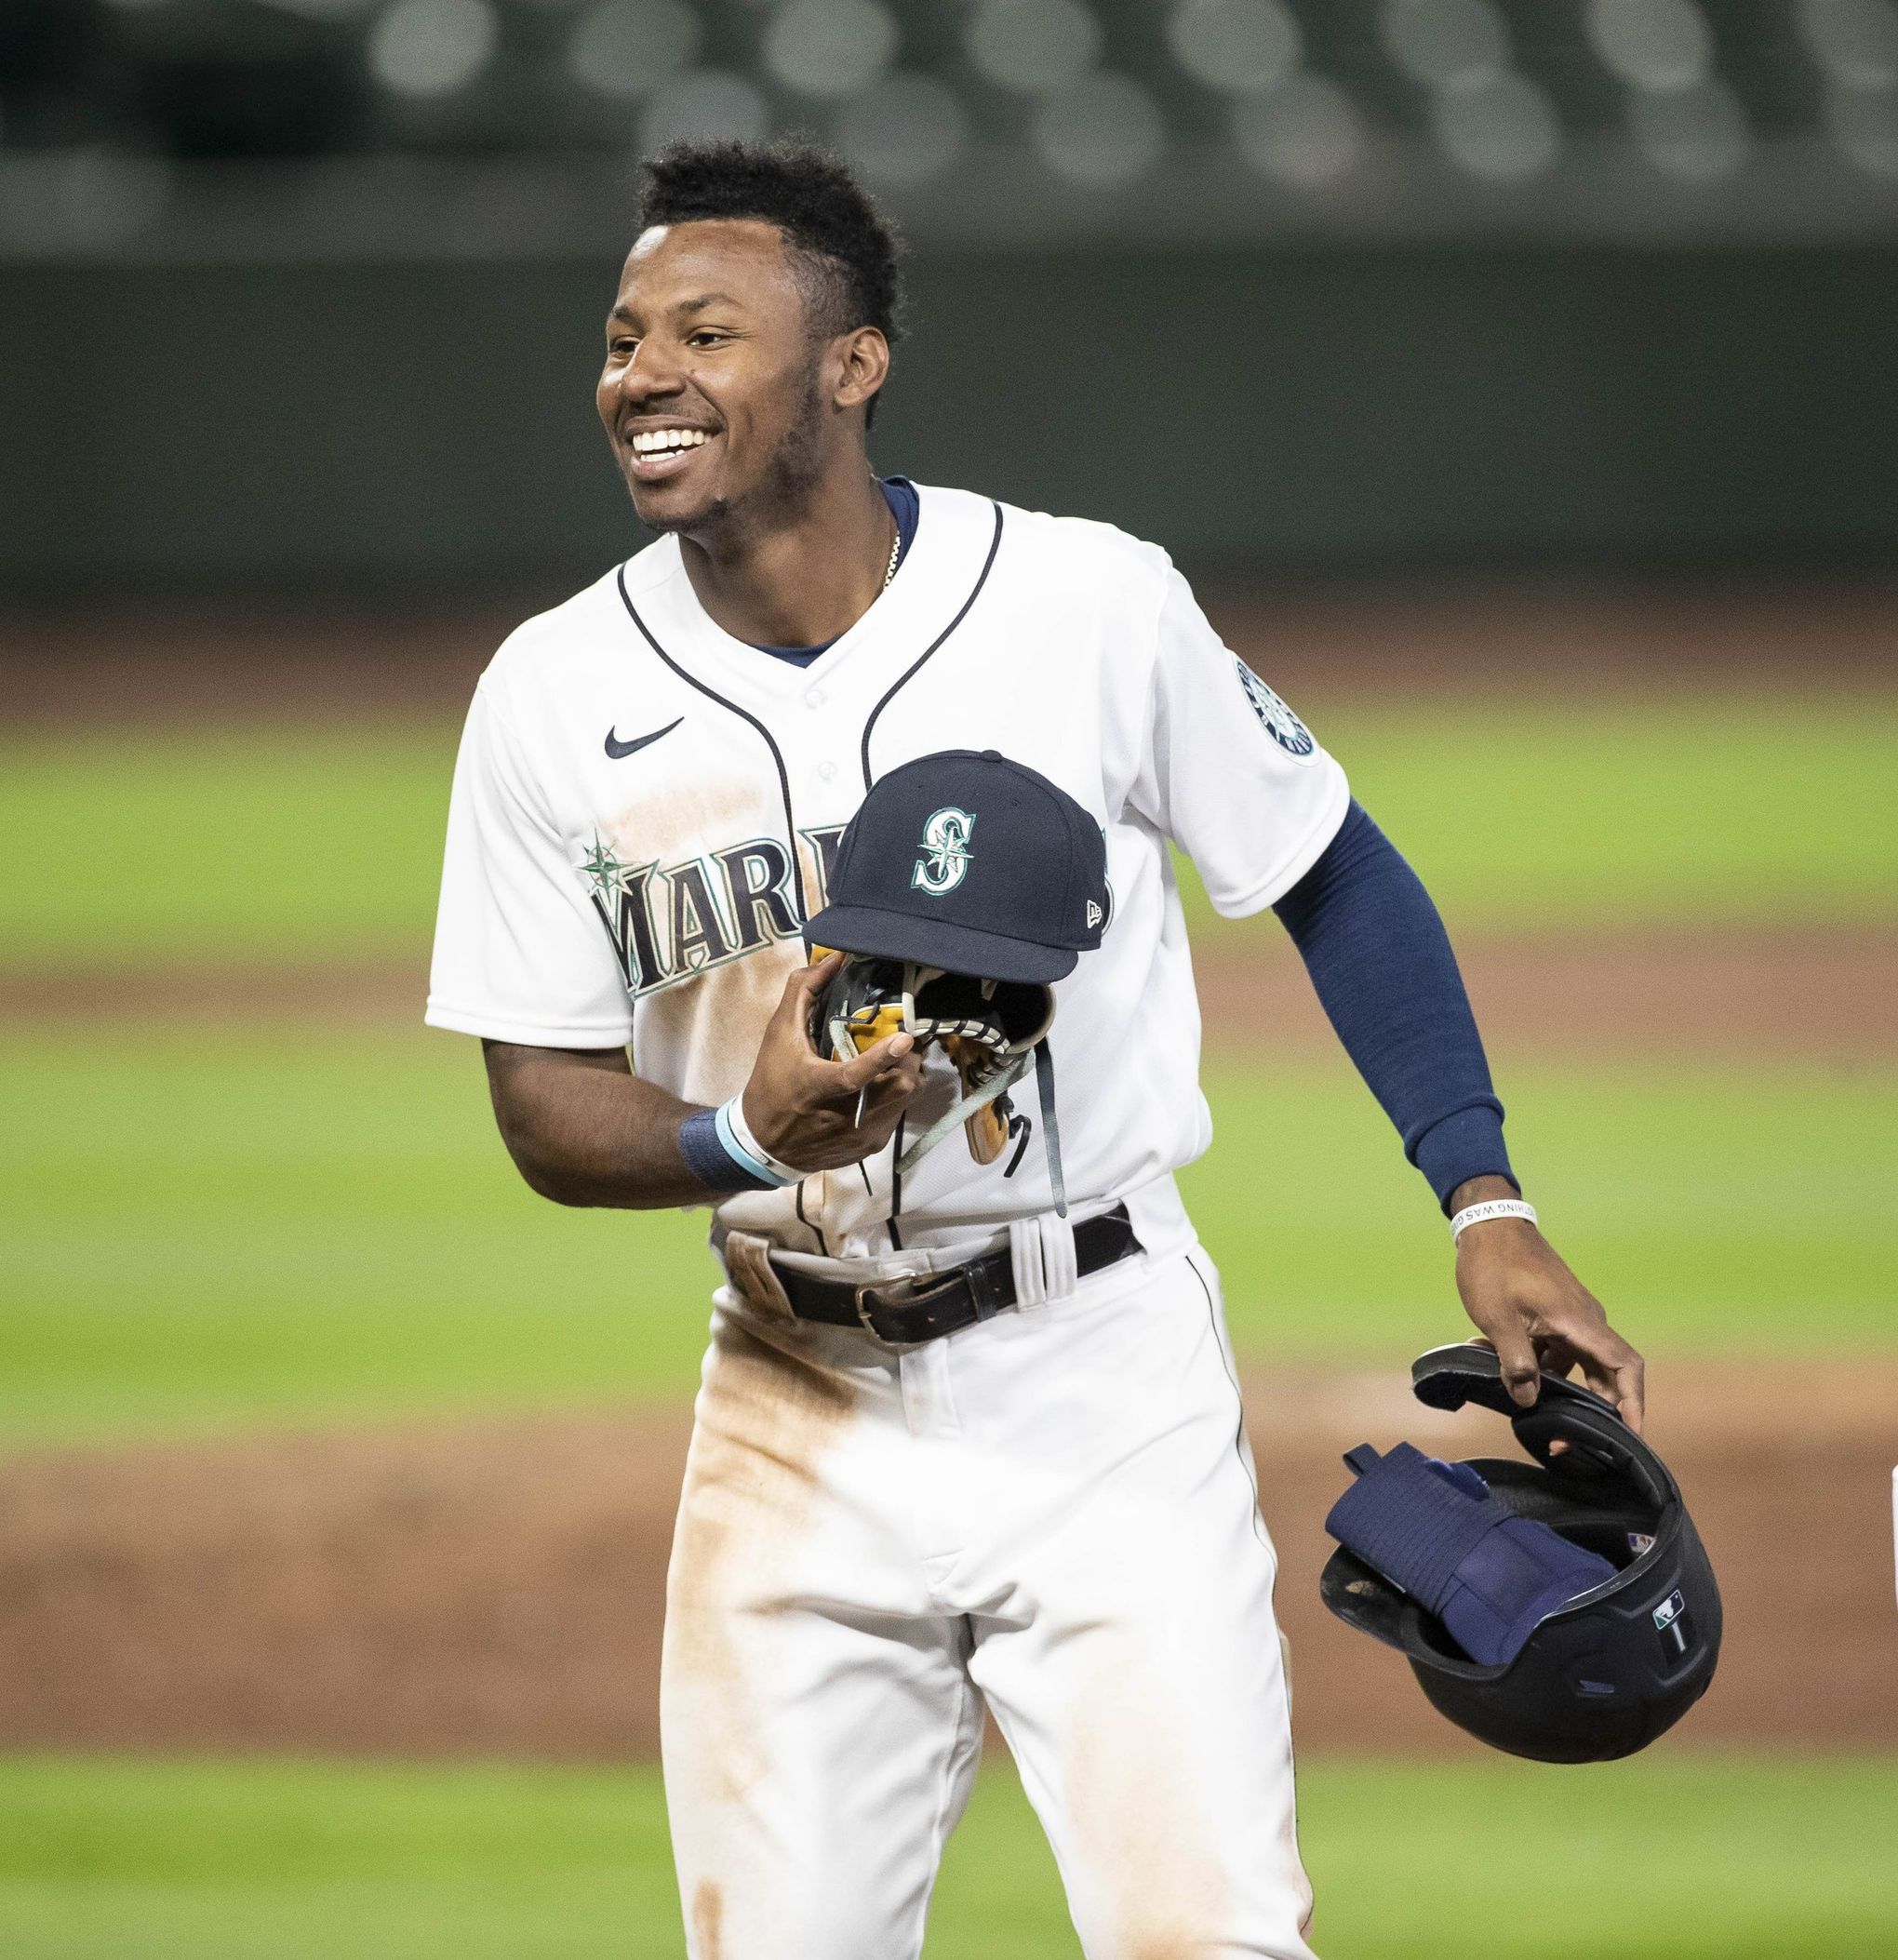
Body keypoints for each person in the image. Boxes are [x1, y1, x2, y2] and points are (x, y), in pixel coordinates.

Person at [426, 138, 1644, 1960]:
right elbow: (539, 1097)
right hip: (784, 1398)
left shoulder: (1085, 603)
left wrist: (1485, 1192)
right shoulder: (546, 694)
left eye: (704, 330)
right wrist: (735, 1147)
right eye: (620, 336)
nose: (643, 373)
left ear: (852, 363)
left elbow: (1335, 873)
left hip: (1099, 1376)